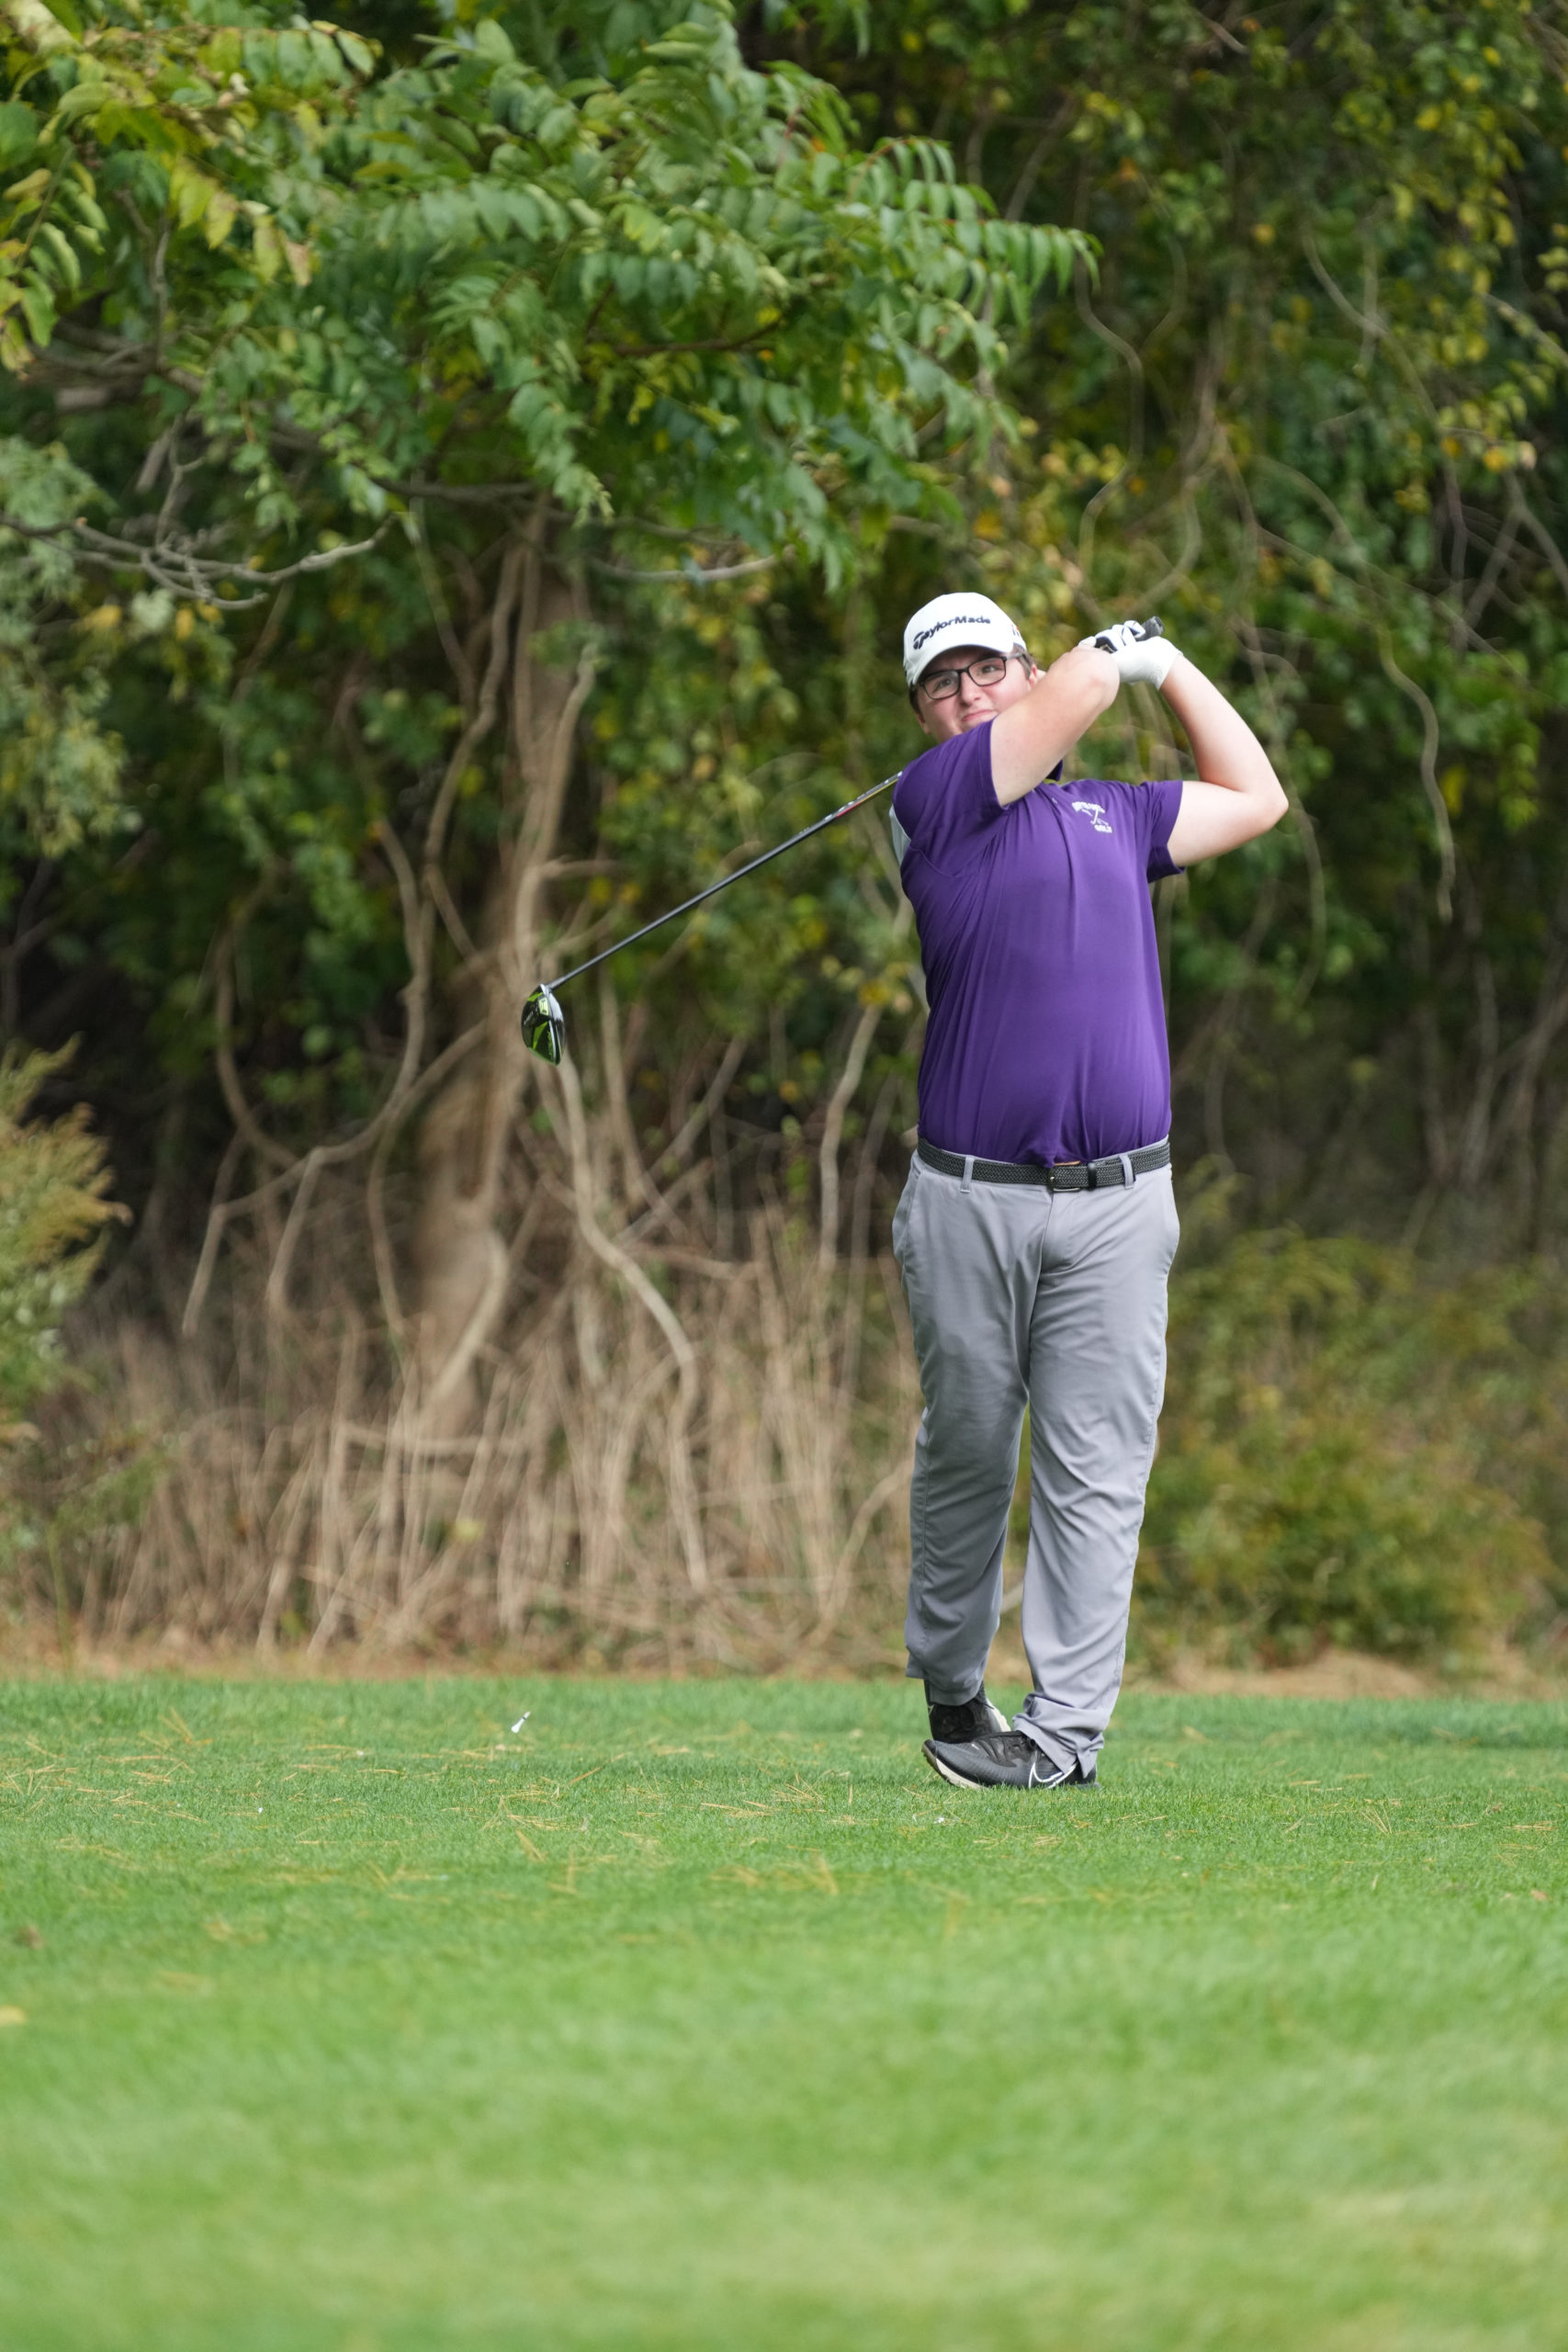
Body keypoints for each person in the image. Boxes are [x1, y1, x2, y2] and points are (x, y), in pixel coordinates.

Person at [889, 593, 1287, 1790]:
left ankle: (1062, 1744)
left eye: (987, 669)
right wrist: (1110, 656)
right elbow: (1077, 693)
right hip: (971, 1198)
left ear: (1020, 665)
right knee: (967, 1445)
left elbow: (1258, 796)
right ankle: (956, 1695)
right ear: (923, 714)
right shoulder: (938, 802)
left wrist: (1171, 663)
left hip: (1120, 1202)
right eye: (942, 682)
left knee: (1098, 1469)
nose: (969, 694)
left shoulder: (1119, 812)